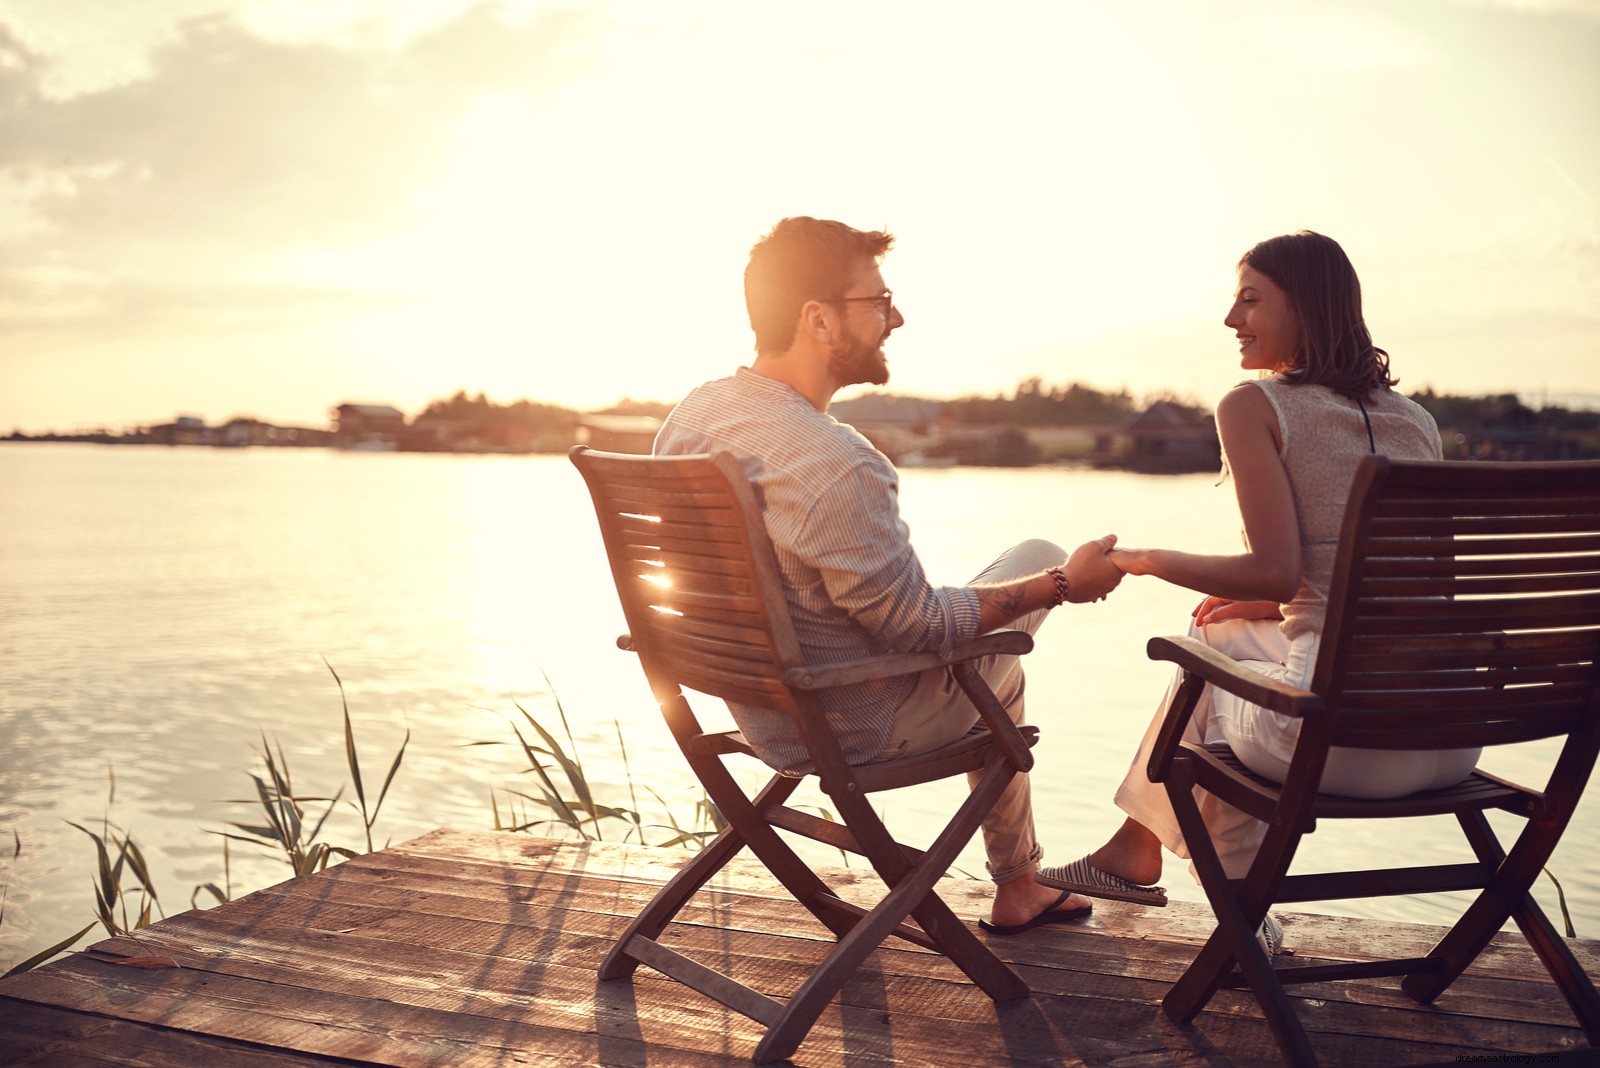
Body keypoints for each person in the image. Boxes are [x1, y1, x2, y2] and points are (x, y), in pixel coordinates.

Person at [654, 216, 1125, 934]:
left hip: (752, 707)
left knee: (996, 655)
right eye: (876, 301)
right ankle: (1019, 886)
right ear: (817, 318)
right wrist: (1060, 585)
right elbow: (920, 626)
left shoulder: (694, 417)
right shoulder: (833, 459)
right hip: (844, 723)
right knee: (1018, 608)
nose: (895, 317)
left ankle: (1020, 884)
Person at [1037, 231, 1480, 951]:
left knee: (1202, 662)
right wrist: (1270, 608)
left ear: (1304, 307)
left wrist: (1143, 559)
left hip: (1342, 747)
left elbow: (1276, 571)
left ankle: (1242, 912)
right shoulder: (1417, 422)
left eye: (1249, 298)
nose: (1230, 318)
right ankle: (1134, 851)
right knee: (1221, 635)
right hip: (1449, 736)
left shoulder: (1255, 405)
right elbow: (1399, 591)